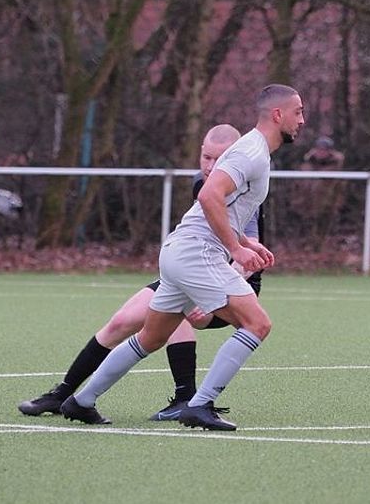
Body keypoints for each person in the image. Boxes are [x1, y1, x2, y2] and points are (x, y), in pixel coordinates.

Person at [59, 84, 304, 430]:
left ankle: (81, 402)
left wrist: (245, 243)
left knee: (151, 338)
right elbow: (208, 196)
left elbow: (220, 206)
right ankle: (199, 405)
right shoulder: (251, 152)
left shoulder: (255, 151)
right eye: (298, 112)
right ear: (277, 115)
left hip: (180, 250)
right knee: (257, 324)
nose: (302, 120)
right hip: (197, 253)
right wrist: (235, 249)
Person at [17, 124, 263, 421]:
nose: (210, 166)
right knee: (122, 322)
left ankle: (186, 398)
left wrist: (214, 290)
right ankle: (63, 396)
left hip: (228, 280)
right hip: (195, 267)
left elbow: (246, 253)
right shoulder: (202, 182)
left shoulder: (241, 181)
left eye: (219, 159)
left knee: (180, 314)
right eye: (206, 157)